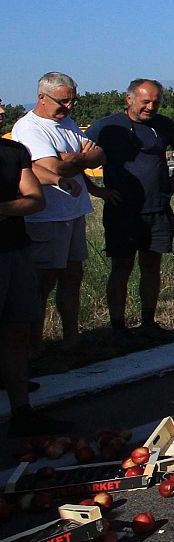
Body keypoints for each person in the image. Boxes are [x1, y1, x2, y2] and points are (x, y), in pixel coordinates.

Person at [88, 79, 174, 344]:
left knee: (152, 266)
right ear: (129, 99)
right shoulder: (106, 127)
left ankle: (148, 322)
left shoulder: (163, 124)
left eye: (155, 102)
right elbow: (76, 158)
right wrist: (96, 190)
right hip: (122, 211)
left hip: (157, 207)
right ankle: (118, 327)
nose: (150, 107)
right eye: (145, 101)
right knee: (121, 267)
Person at [10, 72, 103, 357]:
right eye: (63, 102)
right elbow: (52, 168)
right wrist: (80, 158)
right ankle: (34, 344)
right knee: (43, 281)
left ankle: (71, 337)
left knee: (73, 276)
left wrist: (73, 159)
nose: (69, 107)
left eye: (72, 101)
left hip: (73, 212)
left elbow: (99, 156)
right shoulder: (29, 128)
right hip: (46, 217)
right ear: (42, 98)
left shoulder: (68, 123)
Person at [1, 114, 62, 435]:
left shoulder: (12, 153)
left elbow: (35, 199)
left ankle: (21, 411)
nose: (1, 113)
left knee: (17, 332)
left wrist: (4, 208)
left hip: (15, 251)